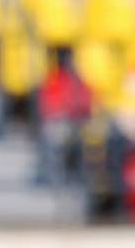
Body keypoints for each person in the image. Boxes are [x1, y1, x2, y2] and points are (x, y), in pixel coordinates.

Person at [37, 48, 94, 185]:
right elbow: (47, 104)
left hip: (78, 122)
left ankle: (77, 175)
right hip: (61, 121)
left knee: (85, 136)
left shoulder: (81, 82)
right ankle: (52, 175)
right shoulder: (55, 80)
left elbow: (87, 104)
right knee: (51, 132)